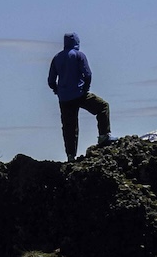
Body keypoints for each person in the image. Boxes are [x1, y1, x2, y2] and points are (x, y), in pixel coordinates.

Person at [48, 32, 113, 161]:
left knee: (69, 127)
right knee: (102, 106)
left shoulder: (57, 57)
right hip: (79, 94)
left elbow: (51, 81)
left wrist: (57, 90)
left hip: (64, 99)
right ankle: (103, 136)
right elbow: (87, 74)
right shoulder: (78, 55)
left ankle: (71, 155)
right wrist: (85, 88)